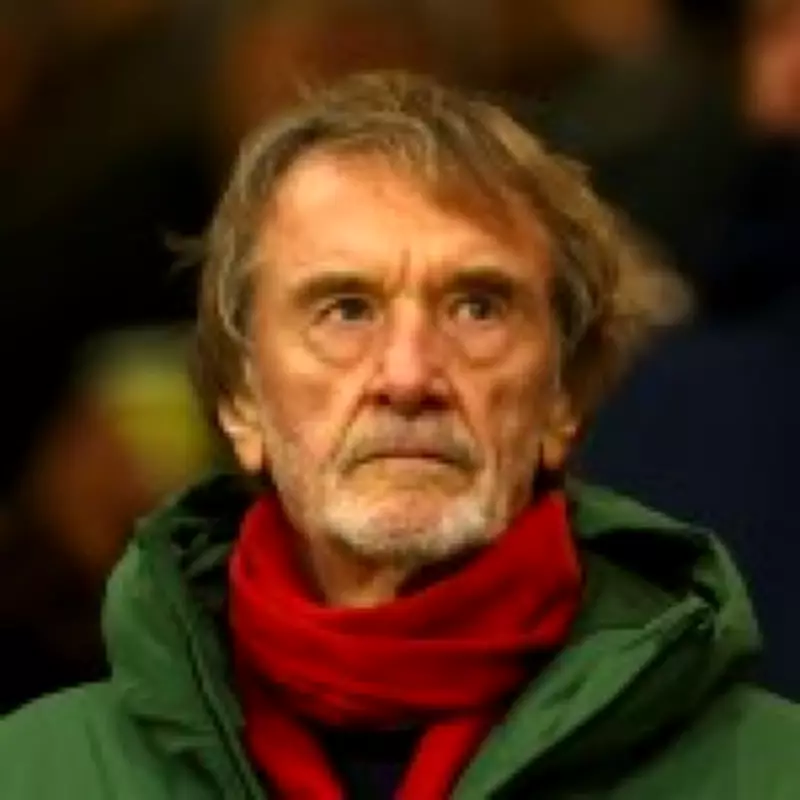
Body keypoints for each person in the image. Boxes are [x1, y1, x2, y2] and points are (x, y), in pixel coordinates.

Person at [1, 71, 797, 799]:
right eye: (346, 310)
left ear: (563, 399)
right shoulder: (38, 774)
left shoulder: (768, 772)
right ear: (242, 402)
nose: (409, 375)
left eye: (477, 308)